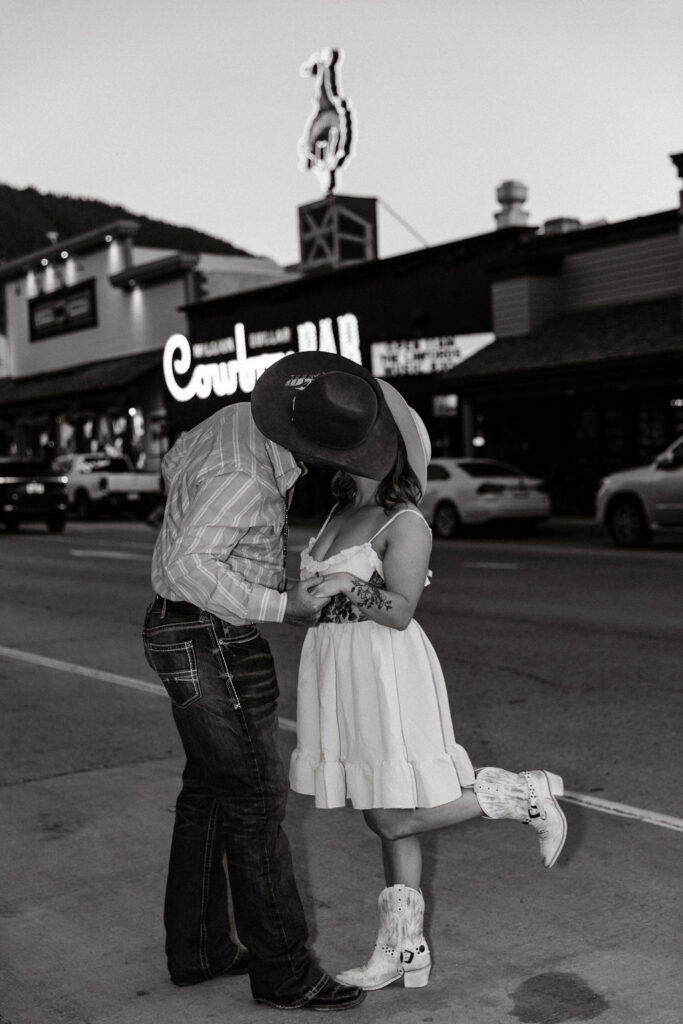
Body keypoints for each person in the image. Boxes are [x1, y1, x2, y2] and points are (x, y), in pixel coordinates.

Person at [288, 380, 568, 992]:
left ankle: (519, 793)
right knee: (387, 812)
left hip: (384, 670)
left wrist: (342, 588)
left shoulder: (405, 521)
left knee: (390, 819)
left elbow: (399, 609)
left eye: (351, 443)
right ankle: (404, 951)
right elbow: (312, 601)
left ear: (383, 451)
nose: (334, 454)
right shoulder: (337, 513)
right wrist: (299, 599)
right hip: (336, 667)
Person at [142, 350, 400, 1011]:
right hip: (211, 638)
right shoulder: (246, 476)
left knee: (209, 795)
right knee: (255, 804)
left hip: (184, 633)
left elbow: (174, 467)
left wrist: (253, 562)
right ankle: (284, 972)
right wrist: (279, 603)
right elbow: (184, 569)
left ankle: (198, 949)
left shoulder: (231, 421)